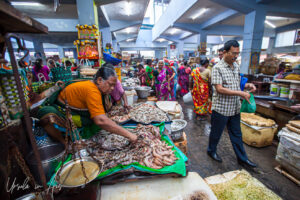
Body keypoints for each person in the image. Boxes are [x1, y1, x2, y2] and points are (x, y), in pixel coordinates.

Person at [37, 63, 138, 144]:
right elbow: (101, 120)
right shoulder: (92, 90)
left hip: (77, 110)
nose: (112, 89)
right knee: (99, 123)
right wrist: (129, 135)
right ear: (99, 80)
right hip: (62, 111)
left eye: (114, 86)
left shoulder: (96, 87)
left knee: (99, 124)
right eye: (110, 85)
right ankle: (65, 143)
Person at [207, 40, 257, 168]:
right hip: (221, 109)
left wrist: (247, 85)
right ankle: (211, 150)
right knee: (216, 133)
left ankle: (242, 159)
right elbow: (219, 89)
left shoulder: (236, 66)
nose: (236, 56)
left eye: (237, 54)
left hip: (235, 108)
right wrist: (241, 94)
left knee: (236, 134)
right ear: (225, 52)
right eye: (233, 53)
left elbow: (237, 84)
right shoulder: (217, 68)